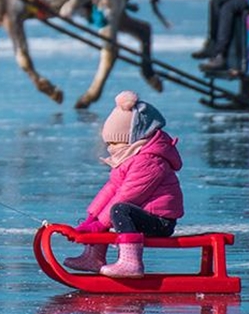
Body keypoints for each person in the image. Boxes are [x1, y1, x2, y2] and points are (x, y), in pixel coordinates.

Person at [63, 90, 184, 278]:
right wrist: (92, 218)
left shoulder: (149, 161)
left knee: (119, 210)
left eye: (115, 143)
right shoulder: (130, 158)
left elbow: (129, 195)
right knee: (111, 211)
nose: (111, 149)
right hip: (142, 214)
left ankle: (131, 263)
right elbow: (111, 189)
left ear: (134, 139)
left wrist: (101, 224)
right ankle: (93, 258)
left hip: (159, 221)